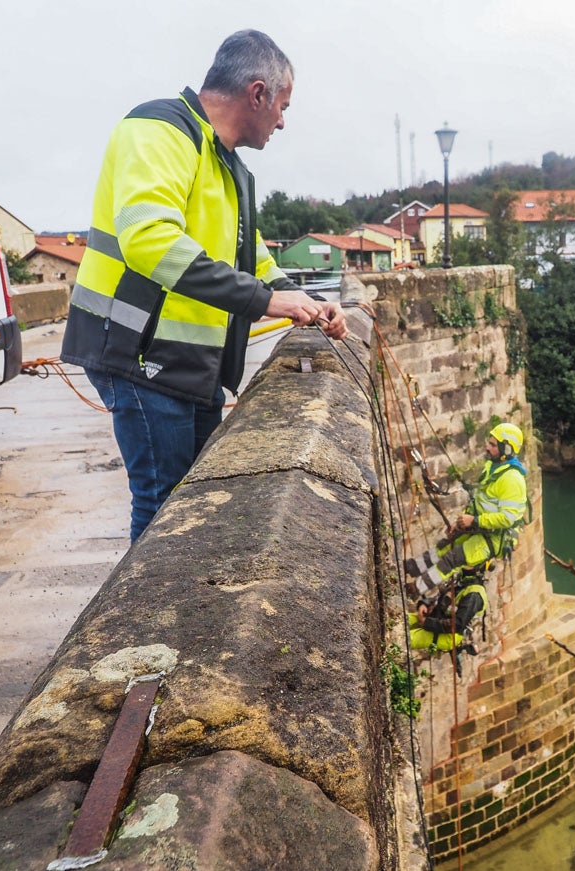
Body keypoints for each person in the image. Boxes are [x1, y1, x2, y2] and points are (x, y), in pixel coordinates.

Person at [61, 30, 346, 540]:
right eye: (282, 105)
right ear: (256, 93)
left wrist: (305, 300)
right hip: (140, 355)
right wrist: (264, 301)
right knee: (163, 507)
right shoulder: (159, 129)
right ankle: (144, 620)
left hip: (191, 364)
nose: (283, 120)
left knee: (193, 504)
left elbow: (248, 254)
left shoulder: (225, 162)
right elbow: (149, 241)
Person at [405, 422, 528, 651]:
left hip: (492, 538)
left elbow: (509, 518)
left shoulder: (512, 480)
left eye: (492, 444)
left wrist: (476, 522)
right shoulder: (492, 469)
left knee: (452, 559)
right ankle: (411, 567)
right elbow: (478, 500)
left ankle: (415, 589)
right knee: (444, 546)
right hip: (478, 528)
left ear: (507, 449)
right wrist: (461, 523)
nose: (487, 447)